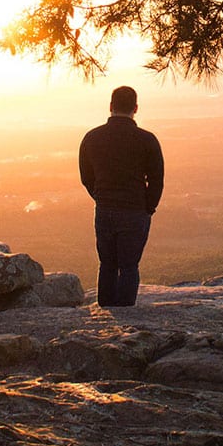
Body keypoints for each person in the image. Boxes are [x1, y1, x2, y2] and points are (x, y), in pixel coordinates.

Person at [77, 84, 164, 308]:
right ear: (136, 108)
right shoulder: (147, 140)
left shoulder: (92, 138)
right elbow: (156, 180)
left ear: (110, 106)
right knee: (128, 266)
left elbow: (86, 177)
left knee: (107, 265)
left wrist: (101, 197)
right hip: (135, 211)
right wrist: (148, 207)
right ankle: (125, 320)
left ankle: (105, 317)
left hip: (105, 210)